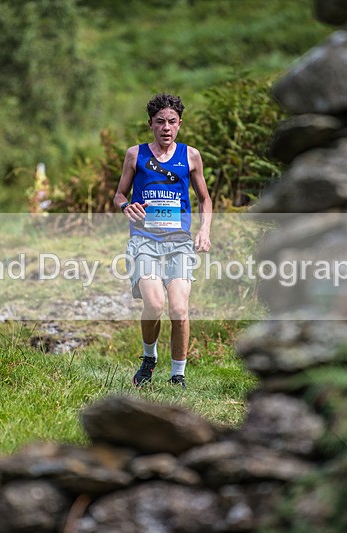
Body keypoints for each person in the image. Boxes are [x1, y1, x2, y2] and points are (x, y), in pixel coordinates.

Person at [113, 93, 212, 388]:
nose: (166, 128)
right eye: (160, 122)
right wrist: (124, 206)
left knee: (179, 308)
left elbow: (205, 200)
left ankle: (178, 375)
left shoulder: (191, 156)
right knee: (154, 305)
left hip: (179, 242)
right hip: (144, 240)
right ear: (151, 125)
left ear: (179, 124)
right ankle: (149, 358)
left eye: (171, 122)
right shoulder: (135, 154)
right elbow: (119, 194)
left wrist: (204, 231)